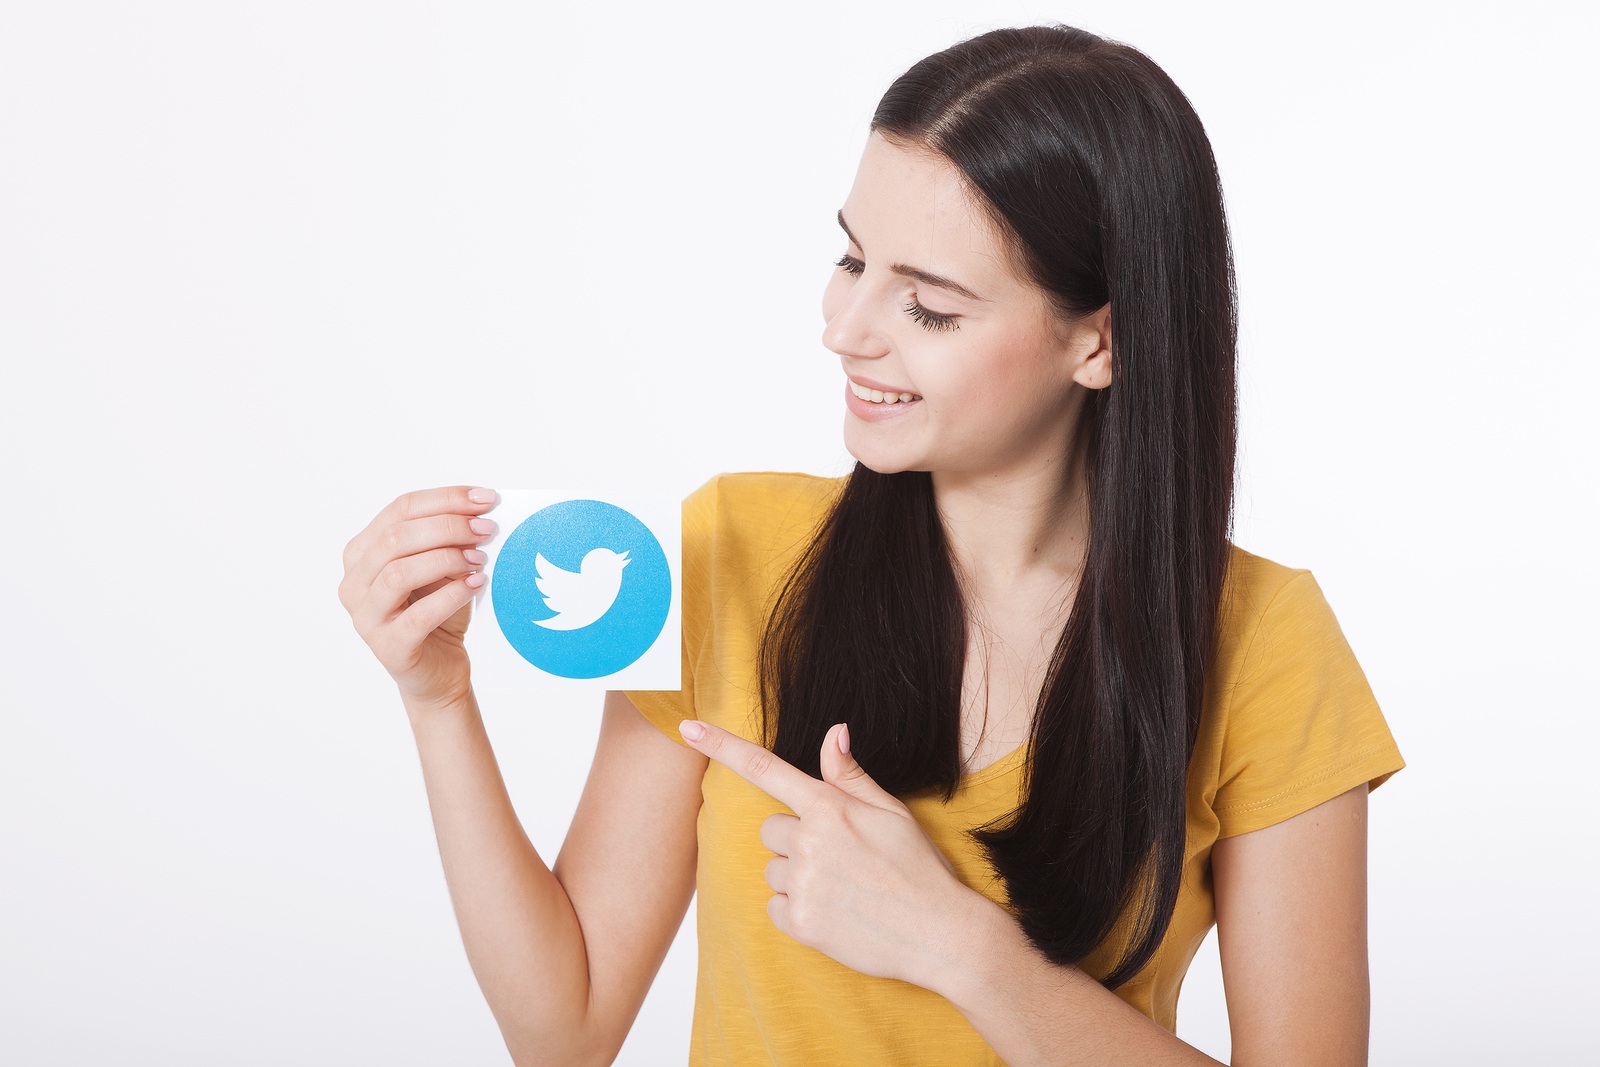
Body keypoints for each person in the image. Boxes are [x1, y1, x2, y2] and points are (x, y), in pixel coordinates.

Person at [338, 24, 1403, 1067]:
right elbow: (562, 1031)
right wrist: (439, 703)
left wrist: (962, 947)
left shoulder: (1265, 641)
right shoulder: (725, 552)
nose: (845, 328)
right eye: (851, 258)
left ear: (1099, 339)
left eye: (928, 307)